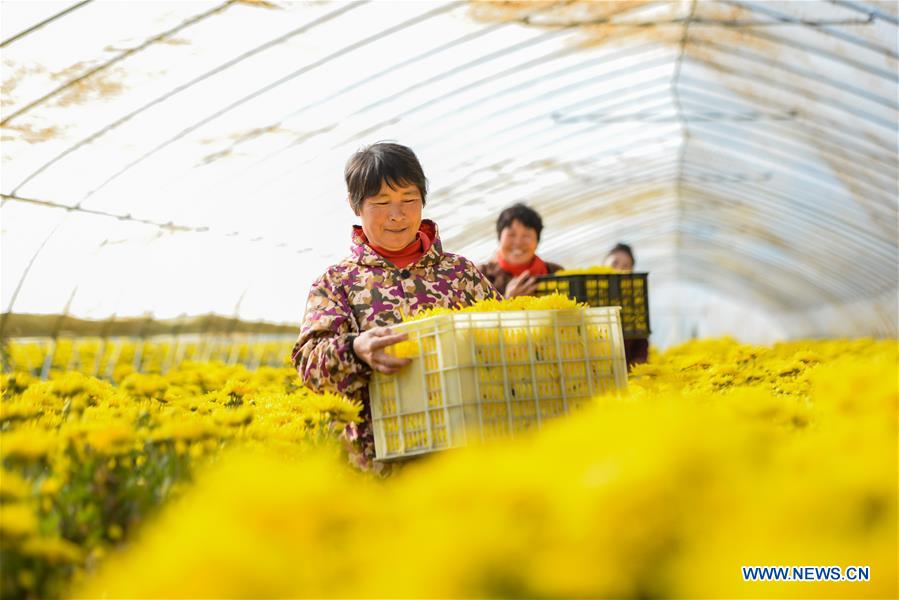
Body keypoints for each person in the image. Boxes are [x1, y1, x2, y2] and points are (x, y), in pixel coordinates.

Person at [291, 142, 498, 472]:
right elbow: (308, 363)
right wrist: (355, 350)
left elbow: (505, 338)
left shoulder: (460, 274)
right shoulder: (337, 283)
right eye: (381, 203)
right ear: (355, 206)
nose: (397, 215)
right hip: (380, 467)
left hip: (465, 462)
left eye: (409, 200)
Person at [478, 203, 563, 297]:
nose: (518, 242)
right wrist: (507, 299)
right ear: (499, 238)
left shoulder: (555, 272)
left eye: (526, 236)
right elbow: (469, 310)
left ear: (537, 241)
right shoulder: (480, 275)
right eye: (511, 235)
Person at [603, 243, 649, 367]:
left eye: (626, 266)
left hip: (624, 372)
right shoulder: (586, 293)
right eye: (615, 263)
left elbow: (641, 343)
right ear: (603, 264)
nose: (619, 269)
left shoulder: (635, 302)